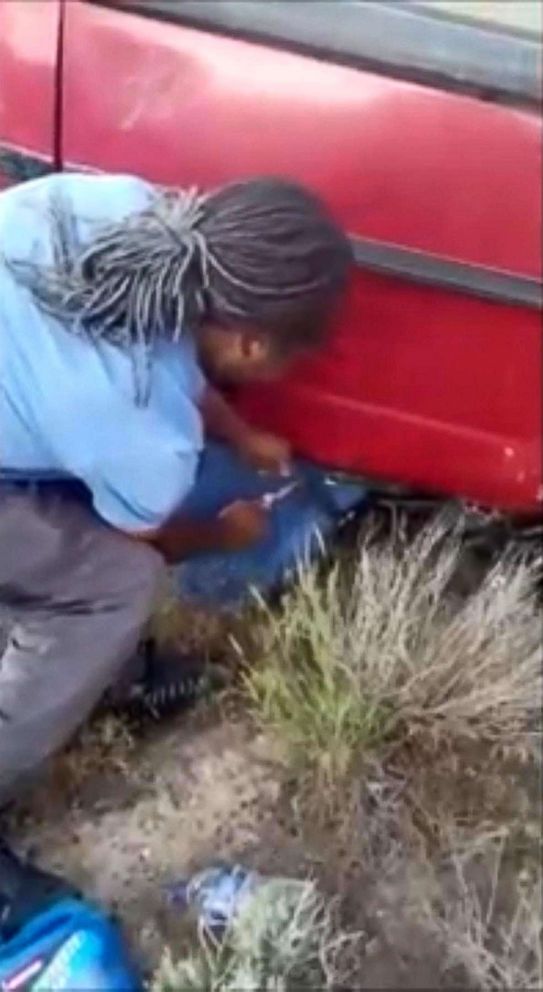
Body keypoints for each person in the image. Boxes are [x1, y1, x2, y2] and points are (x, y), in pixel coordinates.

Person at [0, 171, 352, 804]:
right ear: (250, 343)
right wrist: (227, 533)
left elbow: (166, 358)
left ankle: (109, 668)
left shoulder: (135, 208)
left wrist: (239, 433)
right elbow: (146, 544)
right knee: (114, 585)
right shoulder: (145, 431)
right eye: (288, 358)